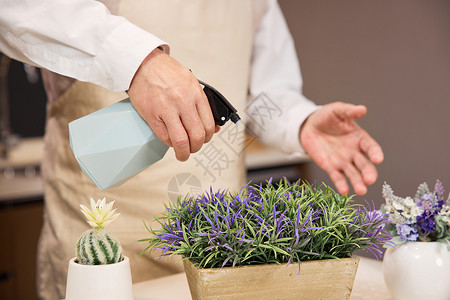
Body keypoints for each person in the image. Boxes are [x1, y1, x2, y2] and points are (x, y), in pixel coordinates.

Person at [0, 0, 383, 299]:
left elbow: (265, 92)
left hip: (225, 253)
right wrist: (138, 61)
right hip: (106, 247)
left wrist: (300, 120)